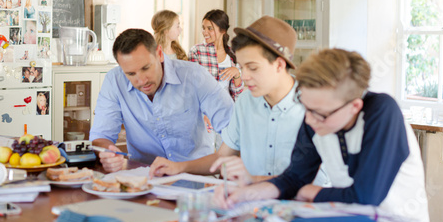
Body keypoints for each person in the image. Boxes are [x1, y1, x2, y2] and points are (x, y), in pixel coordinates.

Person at [213, 48, 430, 222]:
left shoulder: (382, 112)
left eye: (319, 113)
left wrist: (311, 192)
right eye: (306, 108)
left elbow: (366, 196)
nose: (308, 121)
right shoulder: (316, 117)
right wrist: (244, 195)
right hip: (349, 220)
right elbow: (293, 179)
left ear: (354, 106)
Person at [150, 16, 326, 188]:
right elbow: (223, 156)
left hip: (303, 209)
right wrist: (178, 167)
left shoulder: (316, 107)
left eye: (253, 68)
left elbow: (319, 179)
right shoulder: (245, 102)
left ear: (279, 65)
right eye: (241, 67)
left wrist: (252, 180)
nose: (245, 76)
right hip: (251, 207)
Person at [89, 28, 234, 172]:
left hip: (195, 182)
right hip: (143, 183)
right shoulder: (114, 80)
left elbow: (234, 129)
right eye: (131, 74)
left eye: (146, 68)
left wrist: (223, 170)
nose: (141, 80)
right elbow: (101, 136)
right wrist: (107, 153)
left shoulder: (194, 75)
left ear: (159, 54)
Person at [188, 10, 243, 101]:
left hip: (227, 110)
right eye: (203, 28)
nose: (205, 32)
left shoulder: (233, 54)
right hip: (204, 112)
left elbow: (238, 96)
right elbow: (193, 88)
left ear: (223, 30)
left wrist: (237, 73)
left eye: (210, 28)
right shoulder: (196, 51)